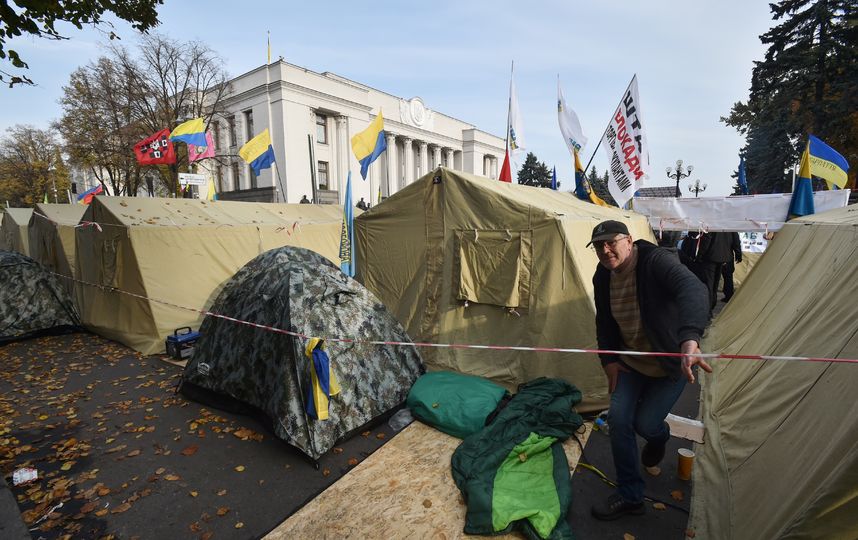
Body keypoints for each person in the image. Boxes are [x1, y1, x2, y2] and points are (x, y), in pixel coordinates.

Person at [588, 220, 711, 521]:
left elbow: (693, 289)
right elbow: (604, 321)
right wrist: (609, 361)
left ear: (629, 241)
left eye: (612, 242)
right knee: (619, 420)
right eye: (599, 246)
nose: (605, 250)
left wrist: (690, 338)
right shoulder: (602, 275)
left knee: (647, 425)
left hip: (670, 364)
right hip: (630, 364)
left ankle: (659, 438)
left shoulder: (655, 261)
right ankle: (631, 495)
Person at [718, 232, 742, 302]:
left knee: (714, 277)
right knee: (728, 277)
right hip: (727, 256)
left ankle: (712, 297)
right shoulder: (731, 228)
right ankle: (728, 296)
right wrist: (738, 255)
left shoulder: (715, 226)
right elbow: (736, 242)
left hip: (715, 256)